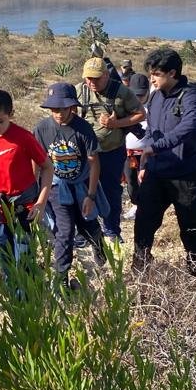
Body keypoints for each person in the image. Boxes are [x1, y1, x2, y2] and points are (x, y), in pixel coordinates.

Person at [133, 45, 196, 276]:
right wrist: (146, 164)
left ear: (172, 73)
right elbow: (153, 132)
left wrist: (155, 148)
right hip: (156, 174)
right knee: (143, 223)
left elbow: (189, 128)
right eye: (150, 73)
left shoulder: (192, 97)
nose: (151, 79)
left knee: (192, 229)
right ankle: (139, 272)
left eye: (156, 74)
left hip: (185, 177)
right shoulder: (156, 97)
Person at [0, 89, 52, 272]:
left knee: (24, 259)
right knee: (3, 256)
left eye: (0, 121)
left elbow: (47, 167)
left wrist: (41, 202)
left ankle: (27, 299)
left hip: (24, 206)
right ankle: (12, 297)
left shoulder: (23, 138)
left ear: (10, 114)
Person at [33, 81, 106, 283]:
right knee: (64, 230)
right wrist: (36, 191)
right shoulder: (41, 129)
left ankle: (98, 242)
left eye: (63, 108)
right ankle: (61, 276)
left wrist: (91, 195)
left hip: (81, 184)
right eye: (54, 109)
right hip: (56, 186)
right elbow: (37, 162)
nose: (58, 113)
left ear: (72, 106)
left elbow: (94, 162)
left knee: (86, 224)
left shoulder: (83, 129)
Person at [76, 56, 145, 243]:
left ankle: (112, 230)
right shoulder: (79, 91)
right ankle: (86, 231)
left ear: (106, 75)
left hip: (111, 151)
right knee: (82, 191)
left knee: (111, 191)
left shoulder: (121, 92)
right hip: (86, 153)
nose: (91, 82)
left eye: (96, 78)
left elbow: (140, 114)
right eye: (88, 78)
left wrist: (116, 123)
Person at [122, 70, 151, 220]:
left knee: (146, 182)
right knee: (131, 183)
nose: (138, 98)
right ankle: (136, 204)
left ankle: (146, 209)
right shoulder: (124, 107)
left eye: (141, 95)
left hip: (149, 153)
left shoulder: (154, 108)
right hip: (129, 153)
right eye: (135, 95)